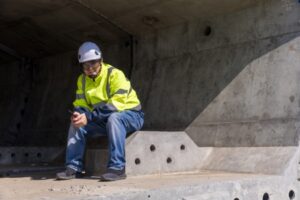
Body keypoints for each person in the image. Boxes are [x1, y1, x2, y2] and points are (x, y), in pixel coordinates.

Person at [56, 41, 144, 181]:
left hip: (131, 116)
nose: (90, 68)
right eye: (86, 65)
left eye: (93, 63)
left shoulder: (115, 75)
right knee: (76, 123)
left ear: (101, 60)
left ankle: (117, 168)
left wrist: (89, 117)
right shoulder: (82, 80)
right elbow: (80, 102)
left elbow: (117, 104)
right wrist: (79, 113)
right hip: (104, 119)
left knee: (114, 118)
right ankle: (73, 168)